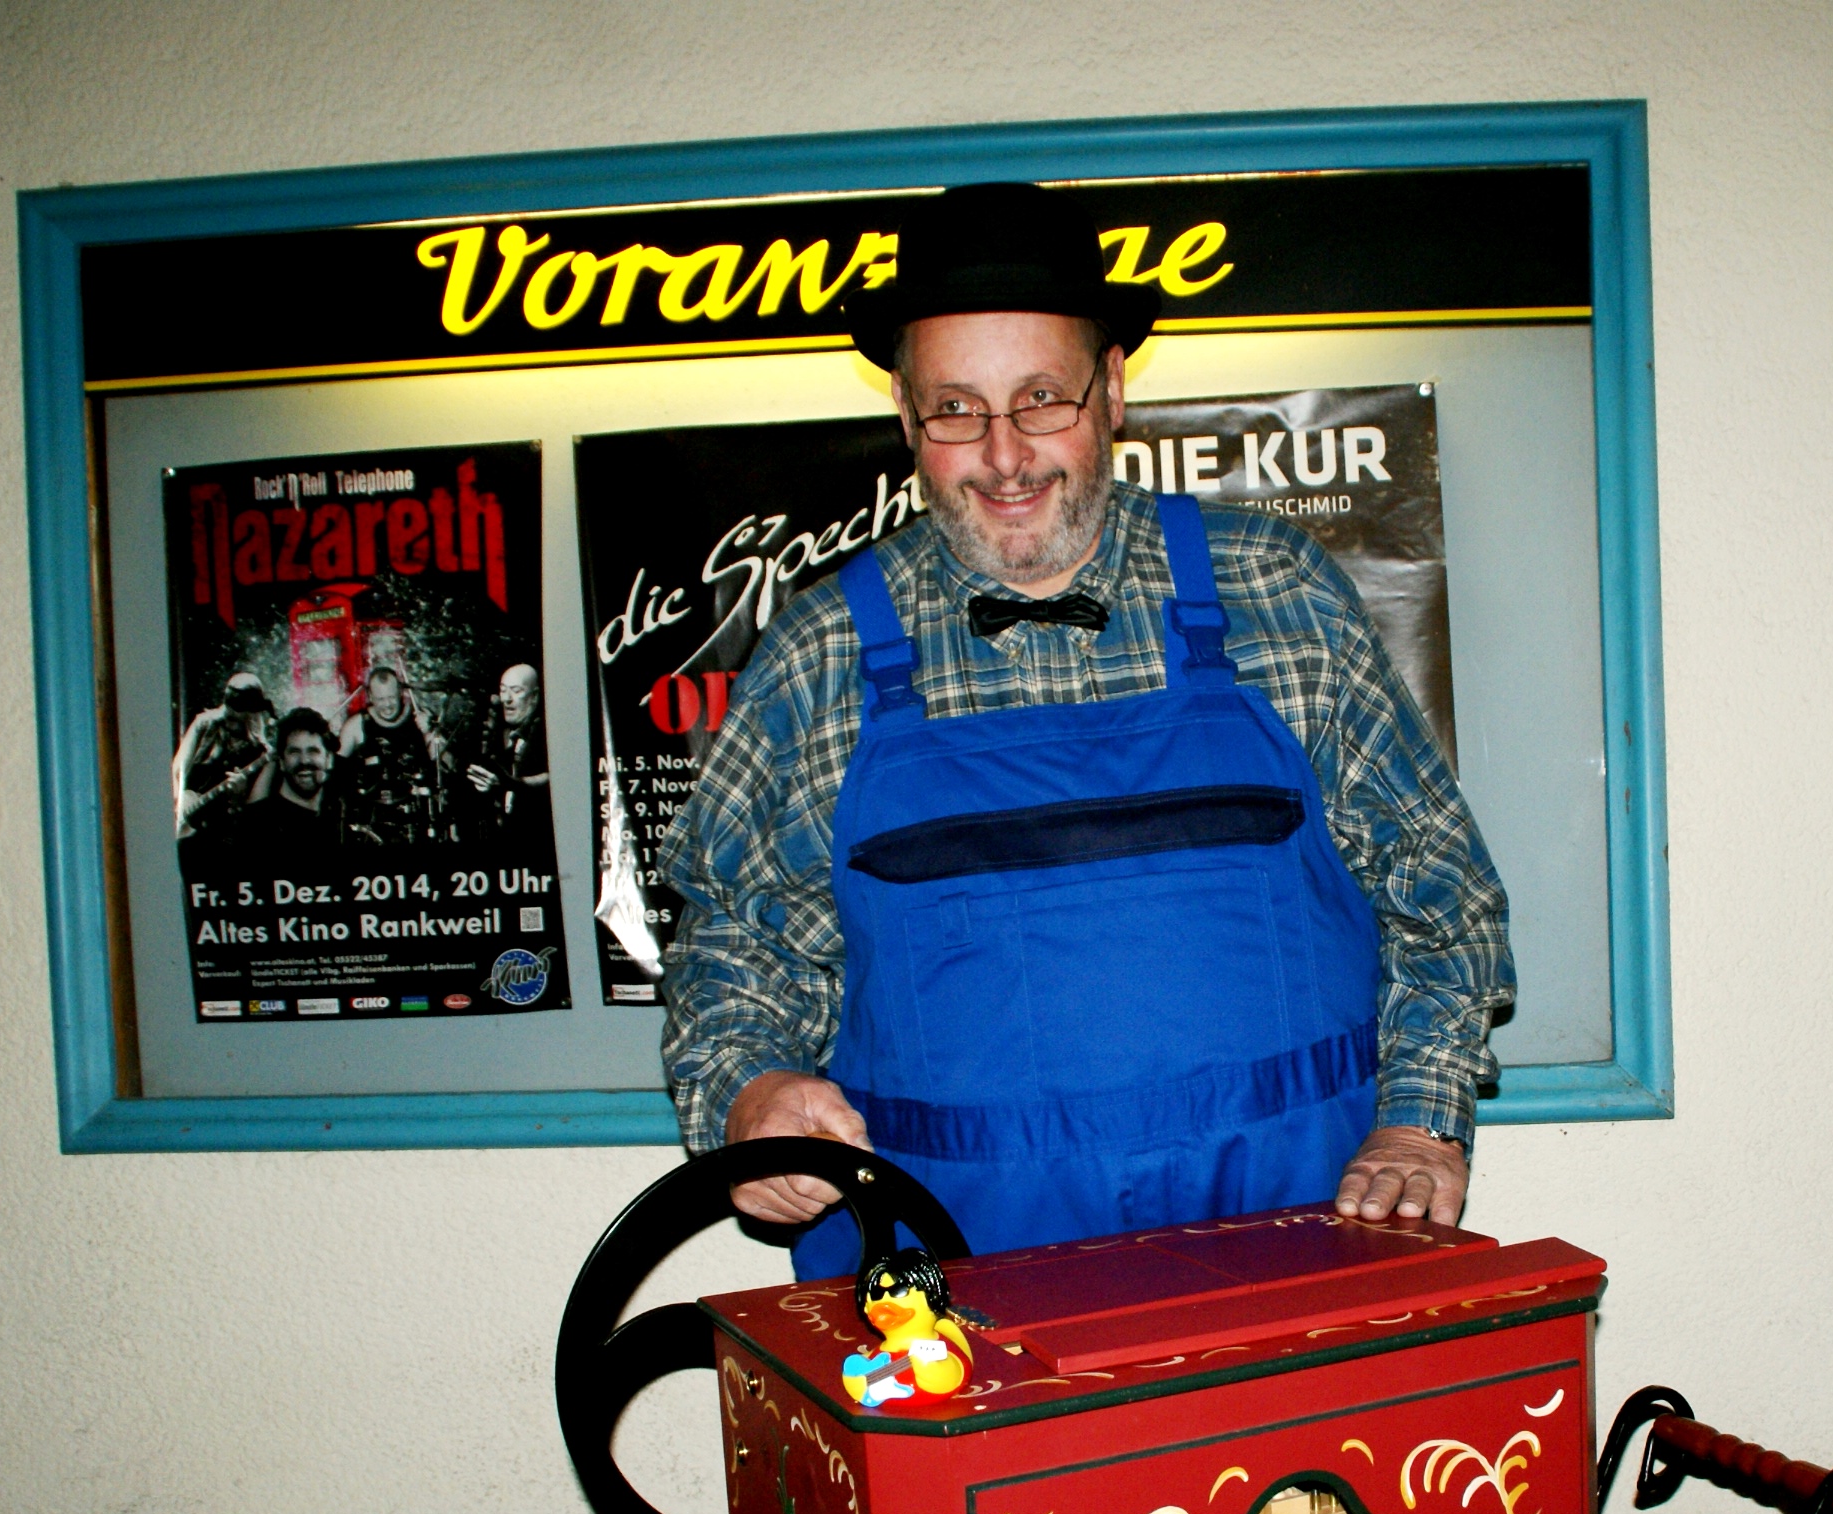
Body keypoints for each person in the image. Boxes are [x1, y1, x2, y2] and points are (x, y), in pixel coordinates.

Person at [658, 181, 1513, 1280]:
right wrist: (750, 1092)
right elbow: (736, 943)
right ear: (906, 414)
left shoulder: (1276, 589)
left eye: (1041, 400)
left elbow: (1441, 890)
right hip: (957, 1281)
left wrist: (1420, 1122)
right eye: (956, 409)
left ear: (1110, 389)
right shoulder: (817, 653)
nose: (1005, 455)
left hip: (1292, 1248)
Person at [338, 664, 448, 848]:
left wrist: (430, 733)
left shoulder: (419, 718)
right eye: (380, 699)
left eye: (391, 697)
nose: (387, 705)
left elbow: (447, 765)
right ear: (370, 696)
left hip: (418, 820)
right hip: (374, 823)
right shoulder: (357, 725)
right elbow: (336, 771)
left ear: (400, 693)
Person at [227, 708, 342, 867]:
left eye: (313, 751)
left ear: (329, 760)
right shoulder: (257, 825)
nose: (304, 760)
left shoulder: (339, 820)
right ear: (281, 762)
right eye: (294, 752)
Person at [172, 670, 273, 843]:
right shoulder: (204, 724)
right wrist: (177, 805)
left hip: (219, 835)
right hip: (183, 820)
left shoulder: (261, 753)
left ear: (252, 711)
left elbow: (255, 816)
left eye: (238, 707)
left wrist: (239, 796)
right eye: (229, 703)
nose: (230, 712)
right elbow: (176, 771)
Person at [464, 663, 552, 847]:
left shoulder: (547, 732)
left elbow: (555, 777)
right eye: (503, 690)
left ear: (535, 696)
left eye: (516, 691)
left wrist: (511, 783)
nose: (506, 699)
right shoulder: (502, 736)